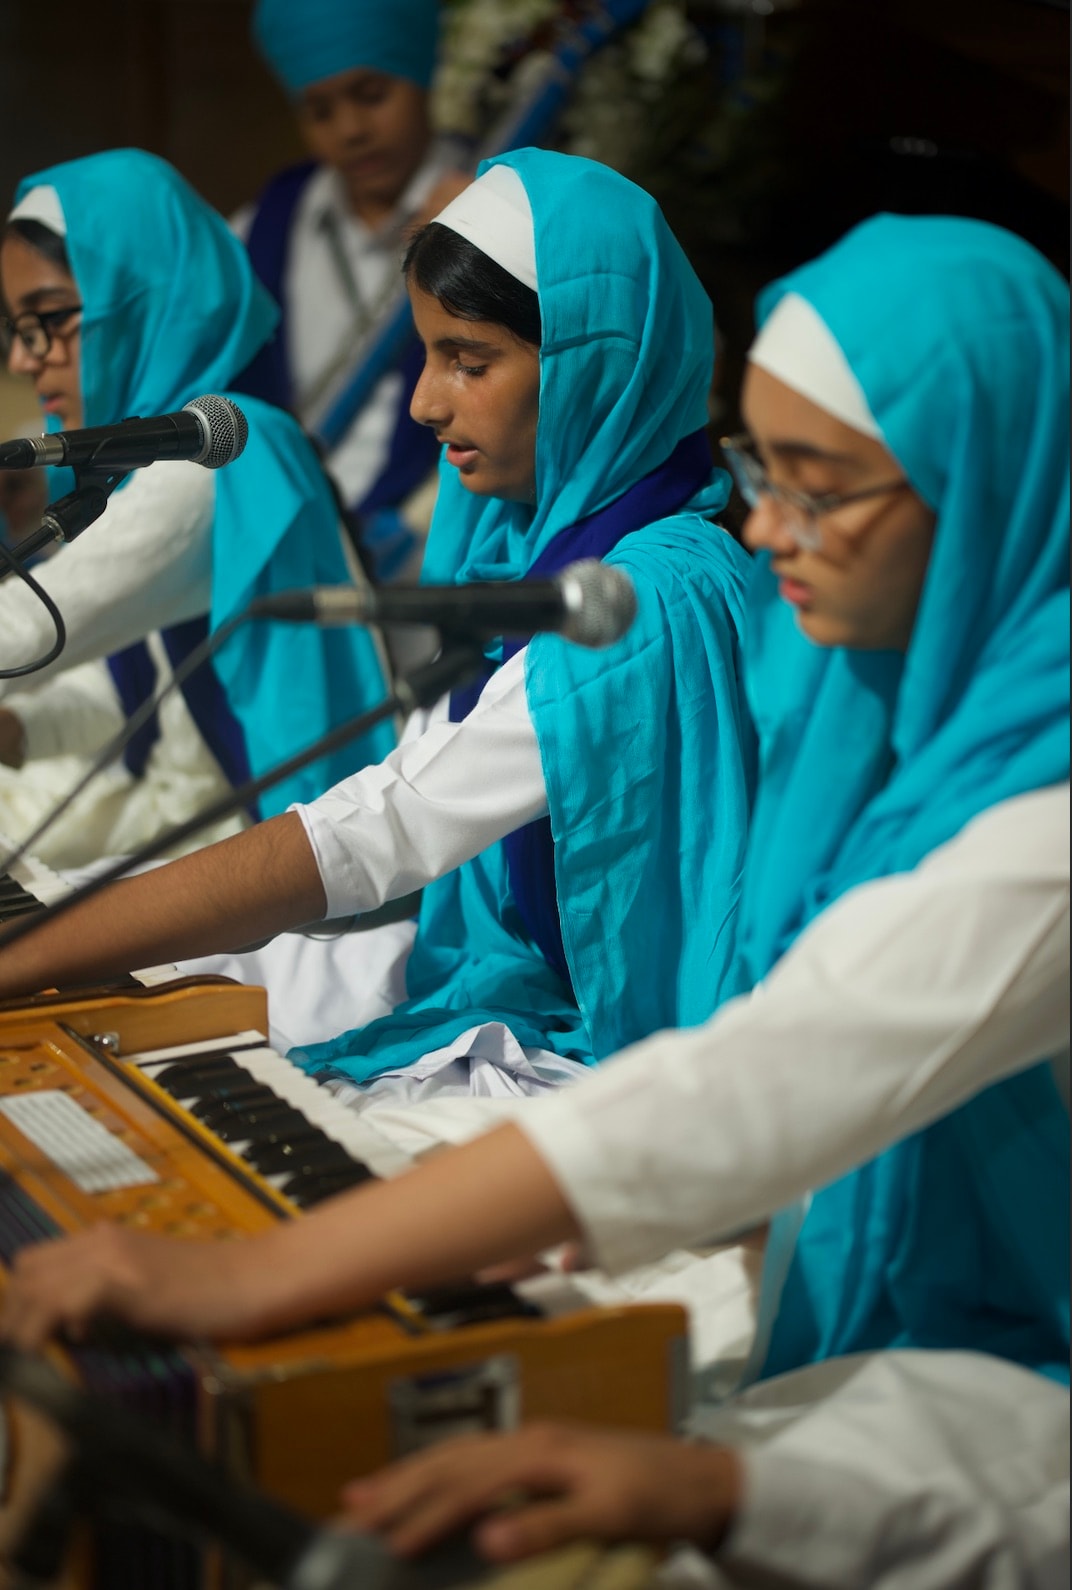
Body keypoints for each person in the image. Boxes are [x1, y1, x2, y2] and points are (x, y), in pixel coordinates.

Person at [3, 213, 1066, 1587]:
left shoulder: (1023, 793)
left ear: (980, 481)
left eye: (820, 487)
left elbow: (767, 1075)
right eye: (766, 473)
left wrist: (244, 1275)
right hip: (811, 1217)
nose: (773, 531)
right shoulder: (871, 681)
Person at [0, 149, 757, 1090]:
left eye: (467, 361)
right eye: (427, 354)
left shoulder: (637, 595)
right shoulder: (519, 542)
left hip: (606, 1042)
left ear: (591, 368)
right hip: (465, 955)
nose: (424, 404)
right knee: (113, 966)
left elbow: (381, 830)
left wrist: (21, 959)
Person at [0, 149, 394, 865]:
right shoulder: (128, 463)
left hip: (277, 877)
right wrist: (18, 732)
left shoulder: (216, 457)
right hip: (193, 835)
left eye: (46, 321)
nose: (24, 361)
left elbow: (26, 632)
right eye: (17, 329)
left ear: (142, 296)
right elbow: (121, 695)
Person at [239, 0, 468, 582]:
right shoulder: (260, 227)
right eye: (319, 111)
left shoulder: (503, 199)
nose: (351, 130)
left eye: (371, 95)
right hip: (286, 548)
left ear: (420, 75)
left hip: (445, 552)